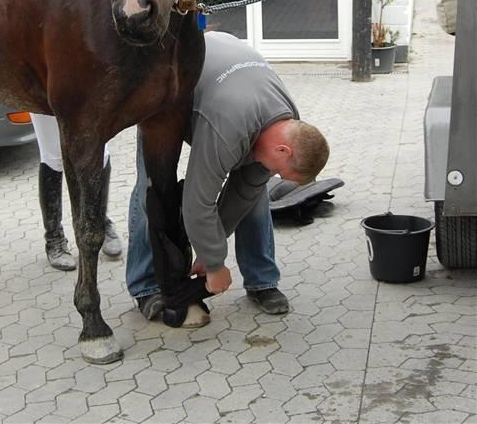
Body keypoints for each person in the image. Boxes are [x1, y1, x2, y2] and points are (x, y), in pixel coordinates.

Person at [126, 31, 329, 324]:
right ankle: (146, 287)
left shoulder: (289, 122)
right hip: (164, 96)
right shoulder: (229, 125)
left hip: (223, 76)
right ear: (283, 149)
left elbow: (243, 192)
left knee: (255, 194)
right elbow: (199, 201)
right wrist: (215, 262)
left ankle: (262, 281)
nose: (276, 175)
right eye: (281, 171)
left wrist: (209, 255)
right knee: (151, 192)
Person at [31, 113, 122, 270]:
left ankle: (100, 221)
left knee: (99, 151)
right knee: (53, 156)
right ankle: (54, 238)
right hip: (44, 95)